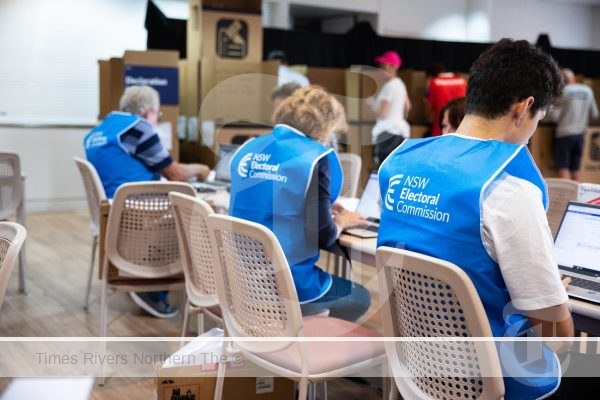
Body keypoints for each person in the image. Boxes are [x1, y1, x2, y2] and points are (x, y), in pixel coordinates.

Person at [378, 39, 573, 399]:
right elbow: (555, 337)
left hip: (418, 364)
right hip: (485, 378)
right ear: (524, 108)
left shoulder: (397, 165)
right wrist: (552, 292)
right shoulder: (509, 189)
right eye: (538, 119)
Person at [229, 85, 371, 322]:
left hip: (241, 280)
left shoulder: (249, 147)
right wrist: (342, 221)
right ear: (325, 125)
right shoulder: (316, 157)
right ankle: (309, 351)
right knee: (361, 297)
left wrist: (319, 204)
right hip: (288, 284)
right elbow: (323, 236)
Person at [84, 85, 210, 319]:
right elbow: (176, 174)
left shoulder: (96, 133)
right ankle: (157, 290)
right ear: (149, 111)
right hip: (140, 216)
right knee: (201, 216)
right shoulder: (136, 129)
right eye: (158, 114)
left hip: (110, 215)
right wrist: (202, 170)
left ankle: (150, 282)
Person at [550, 68, 599, 181]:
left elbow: (554, 117)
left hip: (564, 134)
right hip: (580, 134)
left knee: (563, 167)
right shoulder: (588, 90)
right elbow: (594, 114)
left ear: (562, 79)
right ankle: (577, 197)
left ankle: (566, 197)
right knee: (575, 169)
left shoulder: (563, 91)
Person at [369, 50, 411, 164]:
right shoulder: (400, 84)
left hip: (386, 133)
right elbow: (408, 106)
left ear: (392, 67)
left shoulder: (389, 86)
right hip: (399, 133)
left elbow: (382, 114)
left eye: (384, 66)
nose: (381, 69)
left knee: (382, 167)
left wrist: (371, 104)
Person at [425, 64, 467, 136]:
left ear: (429, 76)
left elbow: (427, 110)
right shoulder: (463, 81)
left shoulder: (433, 82)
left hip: (440, 131)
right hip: (463, 131)